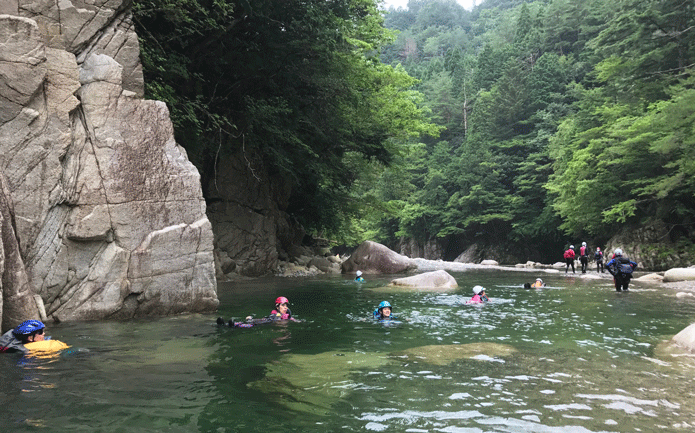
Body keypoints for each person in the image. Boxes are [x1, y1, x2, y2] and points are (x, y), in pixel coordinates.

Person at [217, 296, 299, 328]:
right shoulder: (274, 313)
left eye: (286, 306)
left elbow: (296, 321)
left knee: (252, 324)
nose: (285, 308)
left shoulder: (288, 317)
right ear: (277, 307)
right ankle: (227, 323)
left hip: (265, 324)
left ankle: (233, 324)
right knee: (253, 322)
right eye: (283, 305)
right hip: (265, 321)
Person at [0, 320, 69, 355]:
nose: (43, 333)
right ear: (30, 338)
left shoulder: (13, 342)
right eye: (40, 332)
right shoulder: (24, 352)